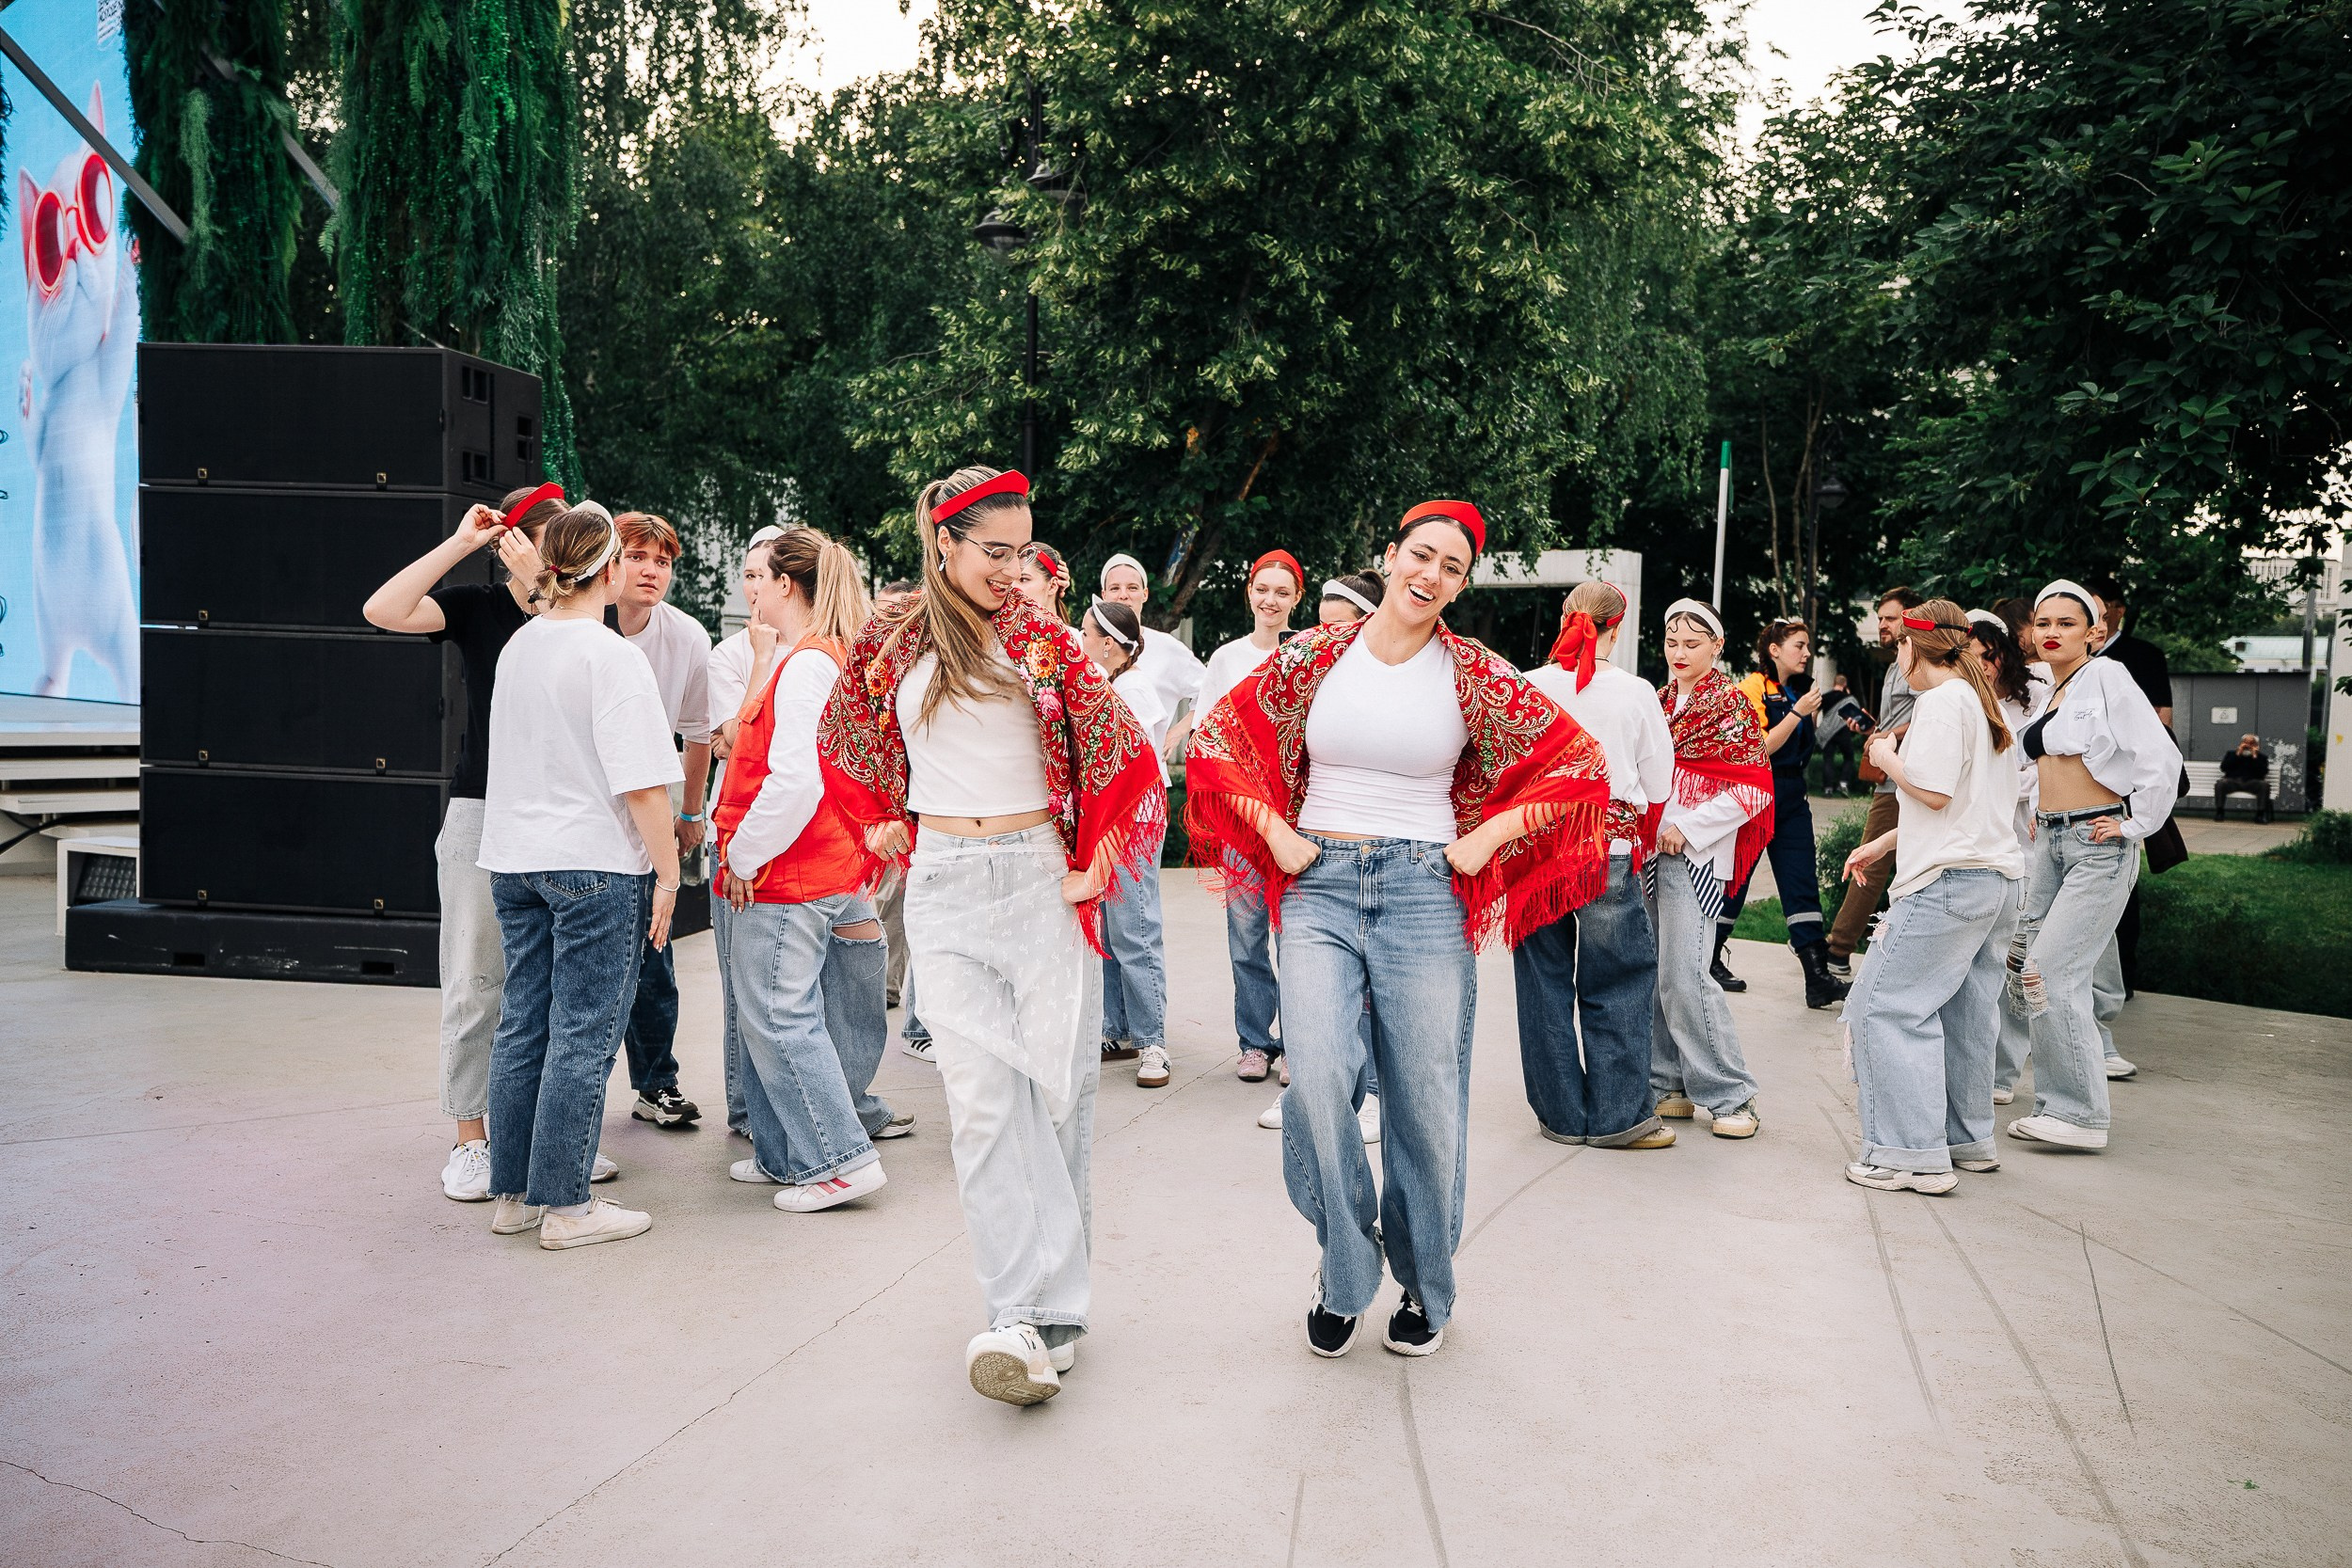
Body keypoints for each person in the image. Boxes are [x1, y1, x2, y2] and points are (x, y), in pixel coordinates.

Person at [1186, 499, 1613, 1360]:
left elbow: (1579, 765)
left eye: (1452, 569)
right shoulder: (1314, 656)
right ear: (1389, 556)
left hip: (1426, 889)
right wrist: (1276, 832)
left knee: (1424, 1100)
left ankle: (1423, 1280)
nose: (1432, 576)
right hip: (1321, 883)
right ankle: (1345, 1268)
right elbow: (1217, 739)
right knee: (1316, 1078)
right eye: (1422, 556)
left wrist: (1485, 838)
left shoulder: (1476, 673)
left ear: (1459, 584)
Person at [817, 466, 1165, 1406]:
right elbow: (847, 732)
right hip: (942, 884)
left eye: (1023, 553)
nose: (1014, 571)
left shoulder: (1045, 639)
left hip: (1040, 880)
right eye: (994, 552)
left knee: (1056, 1096)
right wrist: (882, 815)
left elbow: (1126, 753)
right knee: (978, 1103)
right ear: (944, 542)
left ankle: (1057, 1314)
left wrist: (1096, 860)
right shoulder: (891, 636)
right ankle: (1018, 1313)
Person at [362, 483, 585, 1202]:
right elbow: (382, 609)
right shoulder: (478, 608)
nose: (548, 553)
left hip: (561, 811)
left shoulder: (579, 620)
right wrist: (463, 542)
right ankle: (471, 1139)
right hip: (483, 809)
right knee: (474, 980)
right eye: (537, 538)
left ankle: (543, 1138)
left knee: (551, 989)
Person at [476, 504, 684, 1249]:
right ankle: (566, 1205)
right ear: (606, 568)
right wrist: (669, 872)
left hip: (515, 858)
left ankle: (513, 1194)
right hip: (593, 861)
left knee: (523, 1023)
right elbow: (644, 787)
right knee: (582, 1034)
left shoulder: (520, 645)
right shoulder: (610, 655)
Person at [713, 528, 898, 1211]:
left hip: (791, 872)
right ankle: (786, 1153)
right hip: (812, 866)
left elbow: (795, 780)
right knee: (776, 1015)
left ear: (788, 585)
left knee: (779, 1016)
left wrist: (740, 852)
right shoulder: (818, 658)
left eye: (764, 577)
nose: (754, 588)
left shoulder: (809, 663)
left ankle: (837, 1159)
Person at [1837, 601, 2026, 1194]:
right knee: (1967, 1013)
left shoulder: (1941, 704)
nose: (1897, 659)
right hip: (1994, 880)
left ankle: (1907, 1156)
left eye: (1897, 647)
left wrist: (1886, 756)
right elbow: (1971, 805)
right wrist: (1887, 841)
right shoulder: (1984, 705)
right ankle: (1965, 1139)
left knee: (1886, 1008)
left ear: (1915, 647)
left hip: (1947, 885)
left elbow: (1937, 793)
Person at [2006, 580, 2178, 1153]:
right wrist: (2039, 810)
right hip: (2052, 842)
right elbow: (2045, 766)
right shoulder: (2052, 692)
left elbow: (2161, 756)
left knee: (2051, 973)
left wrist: (2134, 826)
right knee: (2030, 970)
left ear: (2094, 633)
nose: (2052, 632)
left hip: (2095, 844)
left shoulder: (2106, 676)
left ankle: (2081, 1116)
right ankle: (2059, 1106)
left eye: (2067, 623)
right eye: (2043, 622)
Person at [1516, 581, 1677, 1150]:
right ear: (1618, 627)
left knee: (1542, 981)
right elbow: (1658, 783)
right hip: (1605, 850)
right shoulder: (1636, 694)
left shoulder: (1527, 686)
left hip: (1534, 848)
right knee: (1619, 980)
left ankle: (1560, 1115)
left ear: (1565, 619)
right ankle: (1617, 1118)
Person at [1649, 599, 1772, 1139]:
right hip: (1650, 853)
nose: (1679, 652)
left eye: (1691, 643)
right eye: (1672, 642)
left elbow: (1752, 787)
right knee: (1657, 973)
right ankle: (1667, 1083)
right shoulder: (1658, 700)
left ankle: (1730, 1093)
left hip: (1693, 856)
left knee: (1685, 973)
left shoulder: (1732, 705)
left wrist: (1690, 828)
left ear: (1717, 647)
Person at [609, 513, 714, 1131]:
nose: (651, 570)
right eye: (638, 556)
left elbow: (697, 733)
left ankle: (657, 1084)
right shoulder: (579, 624)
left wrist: (690, 811)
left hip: (651, 813)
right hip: (583, 816)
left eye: (663, 560)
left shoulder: (687, 636)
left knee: (654, 958)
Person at [1184, 550, 1306, 1084]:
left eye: (1282, 592)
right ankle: (1256, 1041)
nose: (1271, 600)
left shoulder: (1308, 652)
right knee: (1247, 934)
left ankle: (1300, 1045)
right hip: (1243, 822)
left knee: (1300, 938)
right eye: (1263, 590)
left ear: (1297, 598)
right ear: (1250, 594)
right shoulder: (1227, 659)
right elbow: (1208, 737)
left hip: (1300, 821)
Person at [707, 524, 789, 1139]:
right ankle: (742, 1108)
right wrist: (762, 660)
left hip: (801, 831)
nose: (757, 586)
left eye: (769, 574)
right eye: (750, 575)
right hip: (738, 829)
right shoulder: (731, 656)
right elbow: (733, 741)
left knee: (791, 985)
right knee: (743, 979)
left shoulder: (816, 646)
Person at [1078, 597, 1174, 1088]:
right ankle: (1119, 1029)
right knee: (1112, 926)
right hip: (1112, 816)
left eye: (1087, 632)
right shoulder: (1113, 682)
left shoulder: (1130, 688)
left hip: (1134, 815)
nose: (1079, 638)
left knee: (1134, 925)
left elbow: (1128, 767)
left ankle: (1152, 1040)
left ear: (1111, 646)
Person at [1730, 617, 1850, 1008]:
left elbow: (1808, 744)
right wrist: (1797, 713)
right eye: (1799, 645)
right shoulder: (1752, 687)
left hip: (1793, 795)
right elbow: (1758, 748)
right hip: (1760, 792)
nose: (1806, 652)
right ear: (1774, 649)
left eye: (1808, 646)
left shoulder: (1800, 689)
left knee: (1801, 881)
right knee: (1737, 880)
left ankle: (1816, 977)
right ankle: (1708, 959)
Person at [1968, 610, 2050, 1108]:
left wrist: (2036, 799)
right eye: (1970, 658)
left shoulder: (2037, 691)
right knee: (1977, 956)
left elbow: (2048, 758)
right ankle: (1971, 1063)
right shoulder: (1955, 698)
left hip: (2027, 832)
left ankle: (2003, 1069)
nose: (1982, 666)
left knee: (2017, 956)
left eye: (1988, 654)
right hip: (1977, 836)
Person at [1826, 587, 1926, 980]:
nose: (1881, 624)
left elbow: (1926, 714)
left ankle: (1837, 949)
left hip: (1907, 778)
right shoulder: (1892, 663)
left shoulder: (1917, 660)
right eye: (1880, 617)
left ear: (1911, 617)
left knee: (1868, 862)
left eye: (1889, 618)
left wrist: (1889, 736)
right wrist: (1872, 729)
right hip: (1891, 775)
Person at [1097, 553, 1204, 753]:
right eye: (1114, 588)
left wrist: (1176, 733)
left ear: (1145, 594)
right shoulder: (1089, 645)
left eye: (1132, 588)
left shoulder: (1168, 648)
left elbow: (1212, 691)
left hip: (1150, 773)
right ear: (1104, 595)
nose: (1123, 595)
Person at [2216, 734, 2273, 821]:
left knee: (2264, 785)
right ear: (2241, 743)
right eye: (2245, 743)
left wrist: (2254, 756)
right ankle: (2220, 812)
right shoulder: (2231, 754)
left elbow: (2263, 772)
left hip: (2252, 782)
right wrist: (2238, 753)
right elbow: (2224, 768)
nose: (2248, 746)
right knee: (2220, 784)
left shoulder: (2261, 757)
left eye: (2251, 743)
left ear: (2256, 745)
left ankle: (2260, 814)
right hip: (2233, 782)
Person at [1016, 541, 1073, 622]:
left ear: (1053, 585)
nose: (1013, 588)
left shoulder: (1073, 634)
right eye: (1009, 581)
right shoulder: (998, 631)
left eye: (1023, 579)